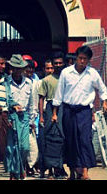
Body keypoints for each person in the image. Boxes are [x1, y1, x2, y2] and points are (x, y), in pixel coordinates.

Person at [52, 45, 107, 180]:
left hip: (84, 112)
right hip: (68, 111)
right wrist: (55, 112)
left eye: (85, 59)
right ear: (76, 58)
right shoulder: (66, 73)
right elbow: (59, 93)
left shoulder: (93, 73)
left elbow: (102, 89)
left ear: (89, 60)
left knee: (84, 140)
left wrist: (105, 102)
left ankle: (84, 172)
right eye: (80, 58)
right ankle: (72, 171)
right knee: (71, 141)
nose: (82, 61)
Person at [4, 54, 36, 180]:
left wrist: (32, 120)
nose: (17, 71)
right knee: (12, 148)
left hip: (24, 118)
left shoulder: (29, 83)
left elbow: (32, 103)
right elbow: (4, 101)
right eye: (15, 68)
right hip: (11, 118)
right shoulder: (6, 82)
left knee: (24, 147)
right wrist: (7, 118)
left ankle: (20, 168)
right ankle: (14, 172)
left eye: (20, 68)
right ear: (11, 68)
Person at [38, 51, 66, 179]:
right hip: (50, 110)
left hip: (64, 109)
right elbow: (41, 99)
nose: (58, 65)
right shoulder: (46, 80)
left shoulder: (67, 78)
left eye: (60, 63)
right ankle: (49, 170)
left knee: (62, 138)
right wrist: (42, 116)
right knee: (50, 139)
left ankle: (60, 168)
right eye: (56, 63)